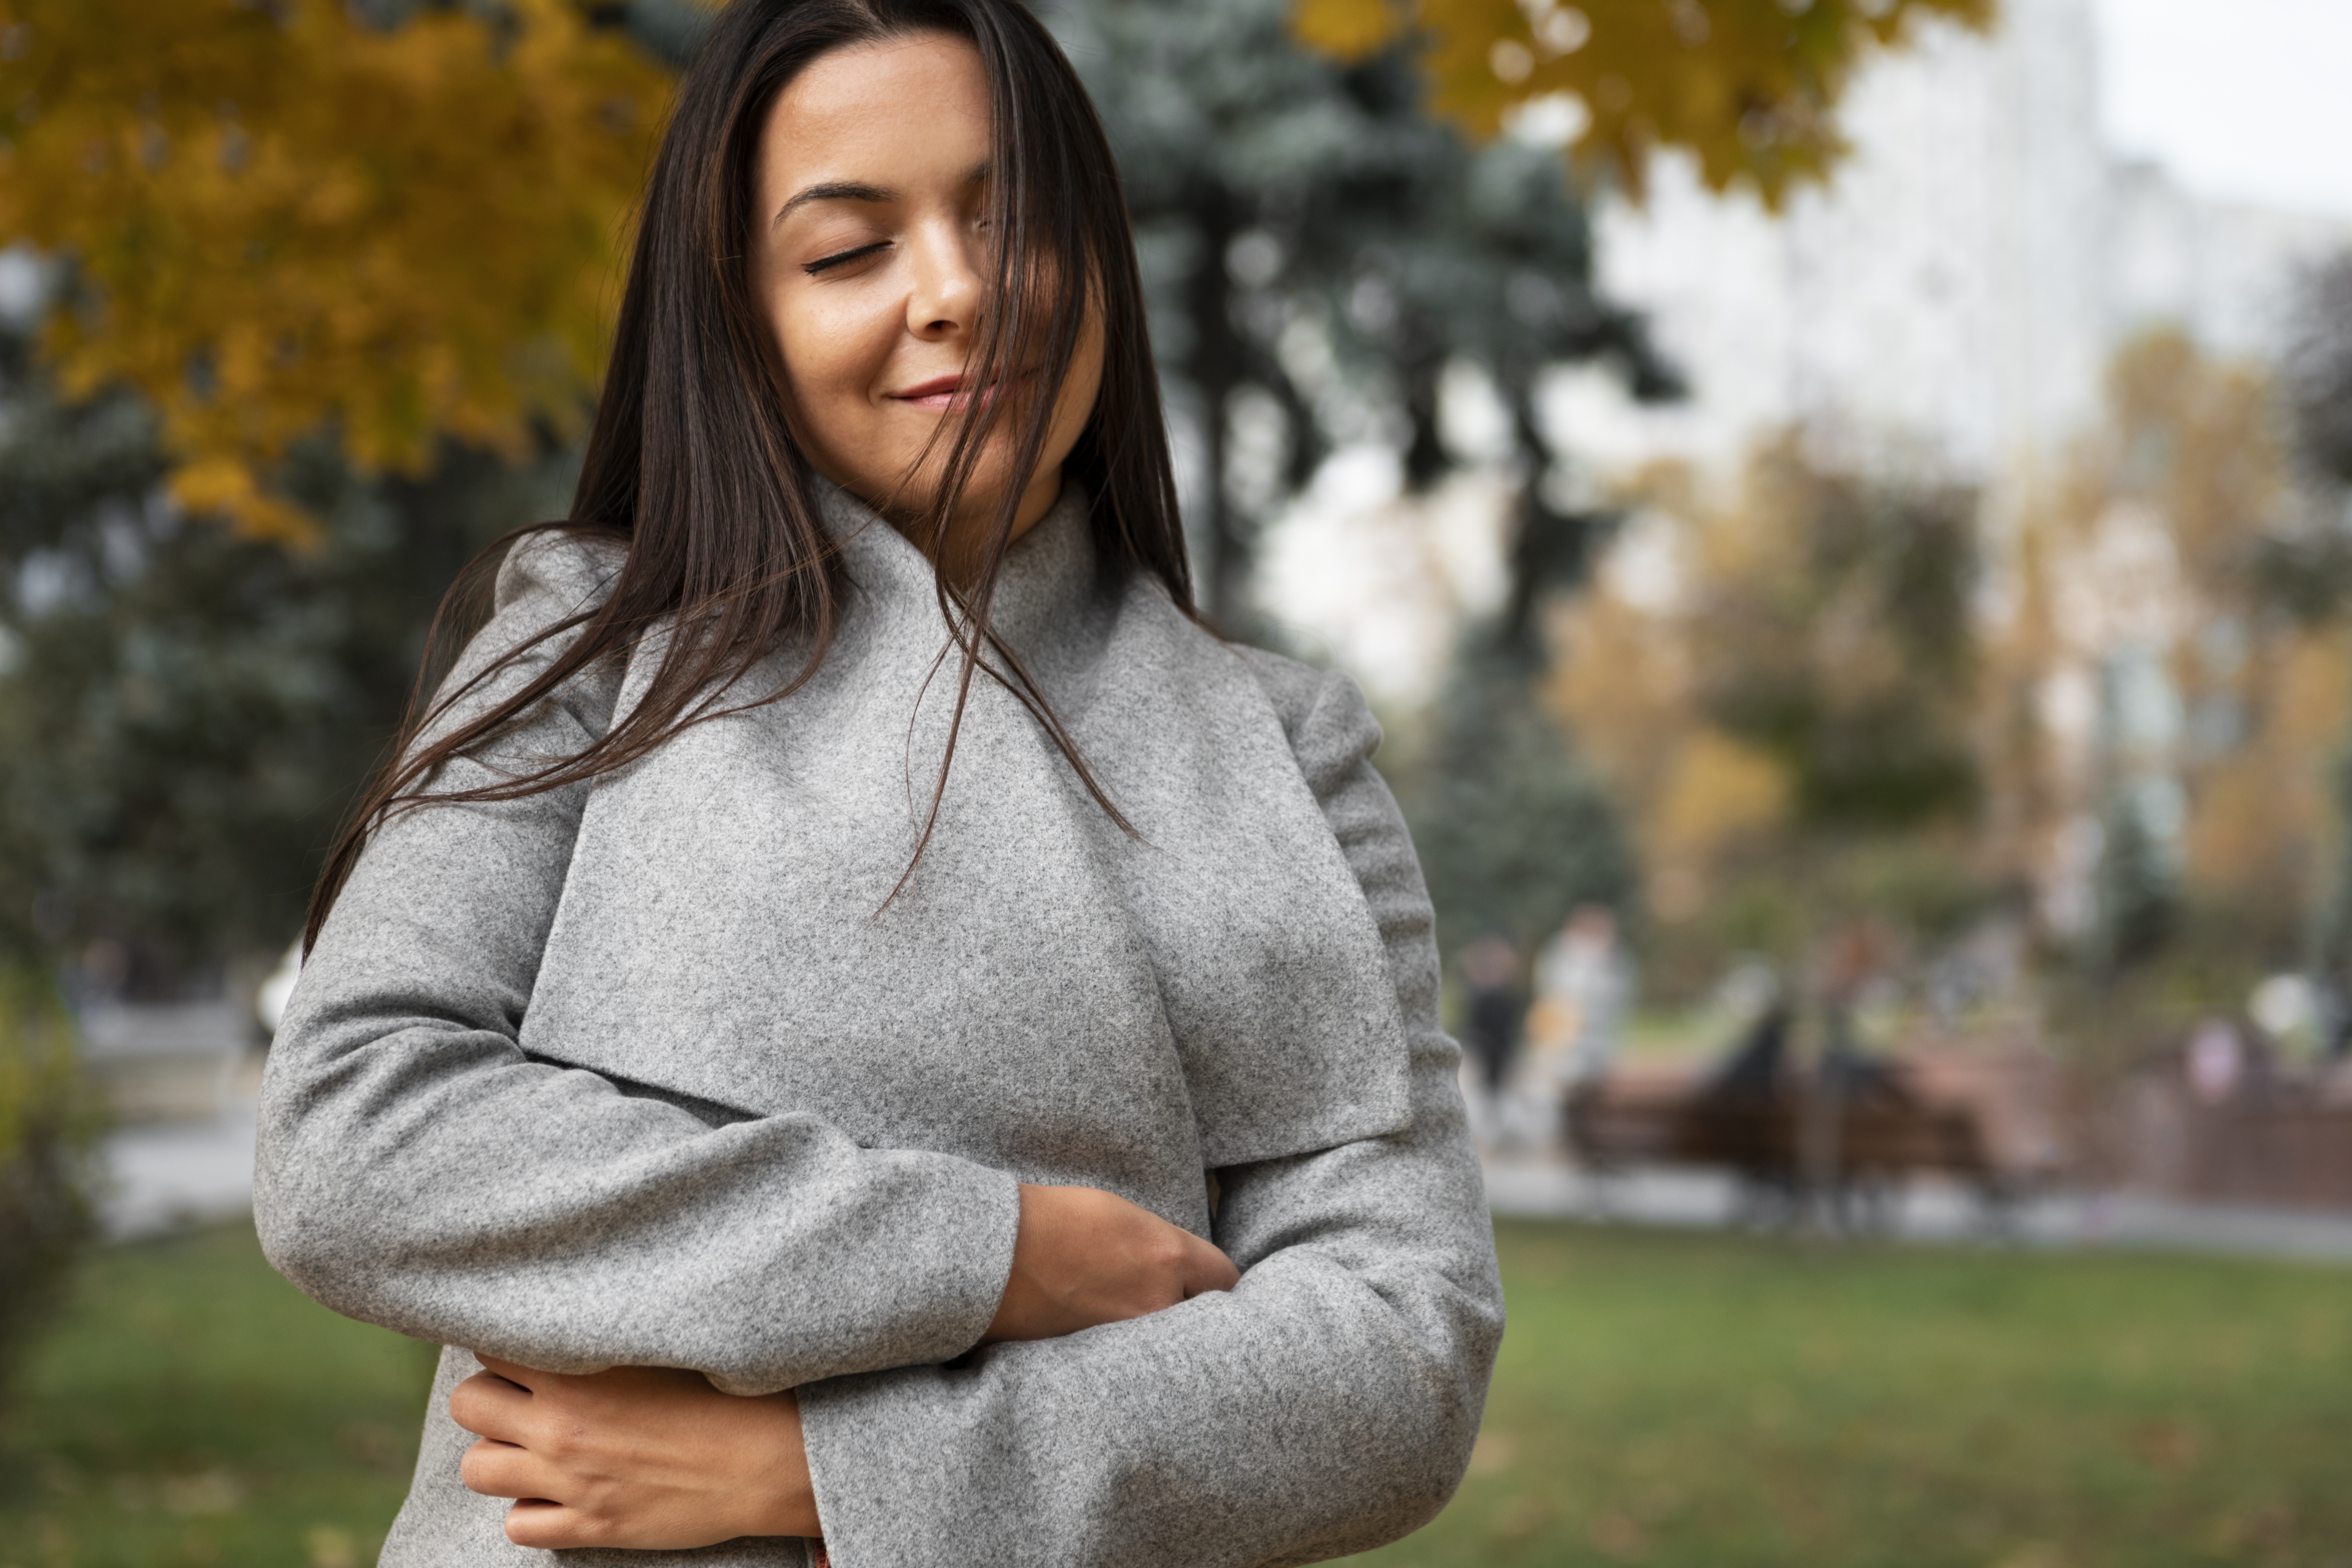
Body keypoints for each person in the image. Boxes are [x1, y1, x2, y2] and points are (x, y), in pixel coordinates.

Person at [251, 3, 1502, 1564]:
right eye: (849, 252)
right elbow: (354, 1147)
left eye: (1014, 221)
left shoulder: (1283, 751)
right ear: (741, 321)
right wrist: (998, 1252)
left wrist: (828, 1473)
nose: (960, 290)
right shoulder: (585, 644)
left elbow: (1397, 1361)